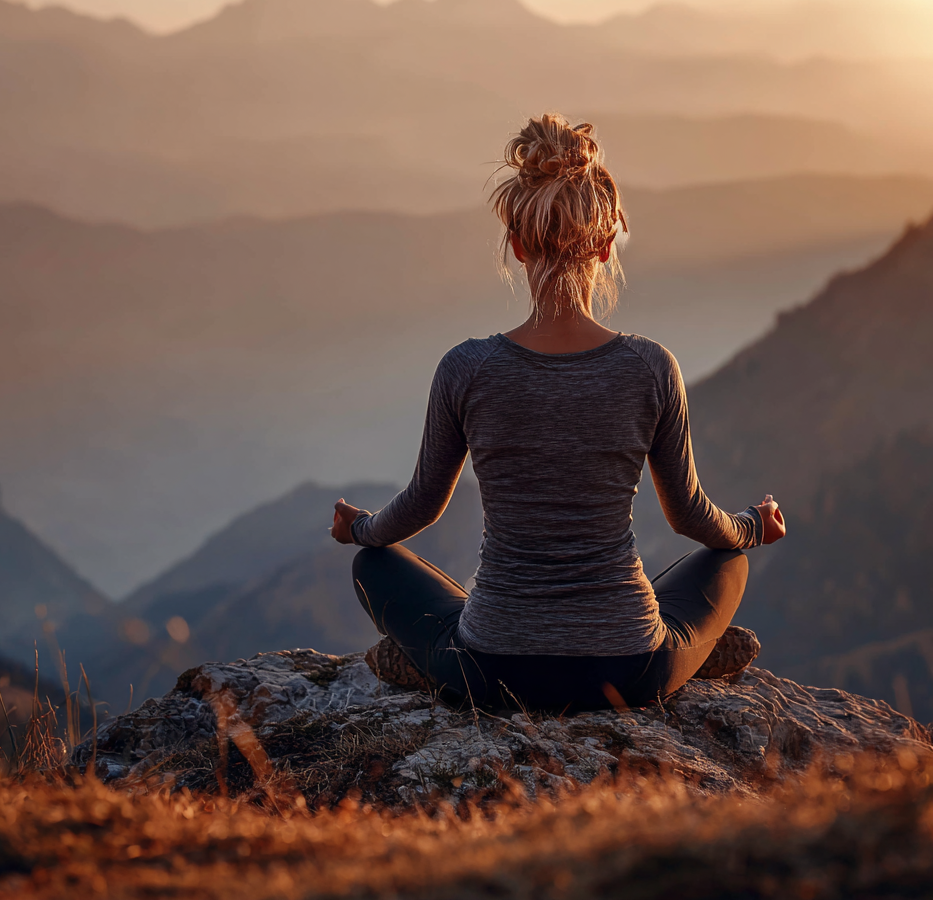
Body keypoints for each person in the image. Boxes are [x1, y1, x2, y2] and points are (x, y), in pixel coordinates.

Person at [330, 113, 786, 713]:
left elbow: (420, 506)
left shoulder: (466, 369)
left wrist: (360, 529)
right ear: (605, 245)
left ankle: (427, 662)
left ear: (518, 246)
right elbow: (691, 516)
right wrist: (753, 526)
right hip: (629, 669)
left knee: (372, 565)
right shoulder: (650, 367)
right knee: (728, 561)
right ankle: (696, 654)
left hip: (493, 670)